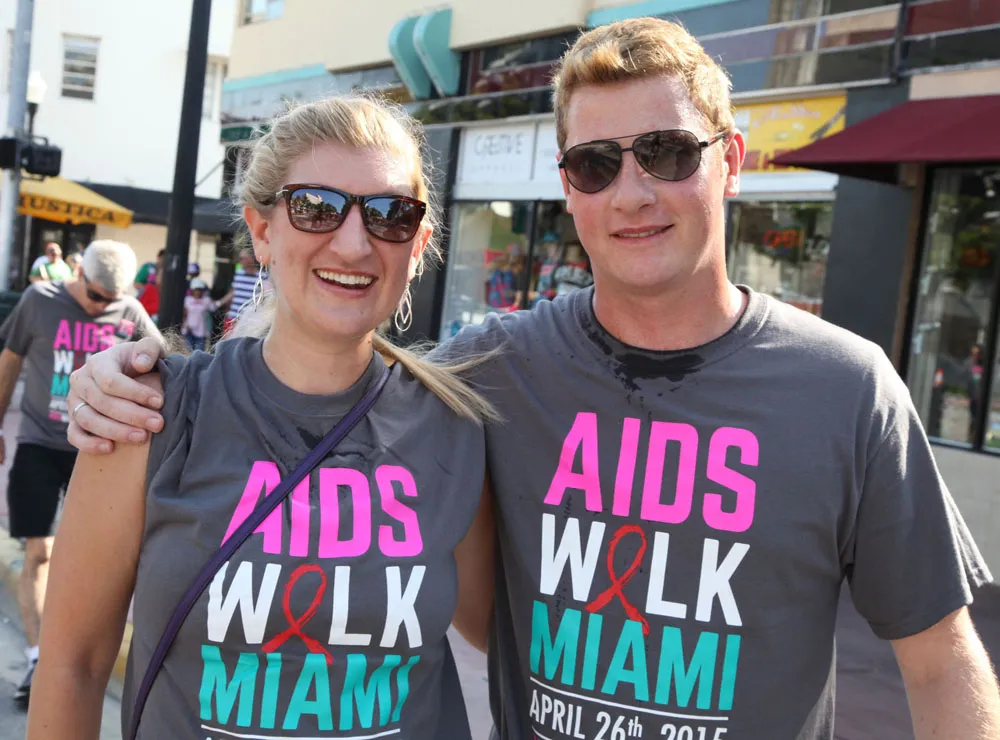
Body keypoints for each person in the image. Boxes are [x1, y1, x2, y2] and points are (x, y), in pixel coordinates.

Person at [63, 18, 1000, 739]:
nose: (632, 191)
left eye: (668, 152)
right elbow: (334, 366)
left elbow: (941, 661)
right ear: (567, 187)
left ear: (731, 163)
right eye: (596, 164)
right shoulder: (493, 371)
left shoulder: (846, 388)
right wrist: (118, 371)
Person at [27, 96, 495, 740]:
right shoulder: (148, 412)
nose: (354, 243)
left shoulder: (453, 427)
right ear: (263, 230)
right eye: (316, 208)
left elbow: (498, 630)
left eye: (390, 214)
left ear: (418, 245)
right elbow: (72, 666)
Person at [0, 240, 160, 708]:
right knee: (41, 552)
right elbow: (9, 360)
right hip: (39, 443)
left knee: (100, 562)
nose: (100, 307)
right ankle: (39, 658)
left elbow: (166, 363)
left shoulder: (129, 312)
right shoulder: (39, 300)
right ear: (79, 276)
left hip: (98, 450)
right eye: (94, 296)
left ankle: (67, 654)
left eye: (110, 300)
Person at [220, 249, 263, 336]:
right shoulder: (238, 273)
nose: (240, 261)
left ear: (251, 259)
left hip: (249, 321)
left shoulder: (262, 277)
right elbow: (233, 292)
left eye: (242, 258)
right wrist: (219, 303)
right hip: (233, 318)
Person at [182, 277, 217, 351]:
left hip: (201, 332)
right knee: (187, 352)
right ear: (192, 290)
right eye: (196, 289)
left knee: (199, 353)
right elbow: (185, 314)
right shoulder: (187, 300)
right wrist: (185, 326)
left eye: (200, 289)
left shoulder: (206, 300)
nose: (198, 291)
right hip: (189, 330)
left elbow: (214, 307)